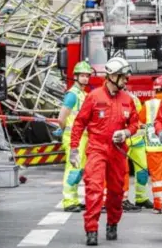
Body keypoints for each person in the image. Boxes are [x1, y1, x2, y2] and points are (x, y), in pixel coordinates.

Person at [70, 57, 138, 246]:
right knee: (94, 189)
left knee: (117, 192)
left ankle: (112, 223)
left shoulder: (128, 99)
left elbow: (134, 123)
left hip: (117, 151)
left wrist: (126, 132)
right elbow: (79, 123)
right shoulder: (94, 97)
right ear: (113, 76)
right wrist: (74, 149)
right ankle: (91, 230)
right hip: (97, 148)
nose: (126, 81)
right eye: (124, 77)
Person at [58, 61, 92, 212]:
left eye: (87, 76)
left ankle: (75, 199)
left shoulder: (83, 94)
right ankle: (69, 201)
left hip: (82, 137)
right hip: (74, 137)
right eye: (82, 76)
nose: (85, 78)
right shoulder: (72, 95)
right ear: (76, 76)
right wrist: (66, 131)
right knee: (73, 168)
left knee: (79, 169)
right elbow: (61, 118)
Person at [139, 75, 162, 213]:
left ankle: (160, 205)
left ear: (154, 90)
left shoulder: (148, 104)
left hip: (153, 146)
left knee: (158, 177)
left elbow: (139, 123)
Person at [124, 89, 153, 210]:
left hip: (137, 140)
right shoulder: (114, 99)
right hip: (123, 140)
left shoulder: (134, 99)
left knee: (142, 170)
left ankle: (141, 198)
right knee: (122, 171)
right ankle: (123, 199)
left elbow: (140, 118)